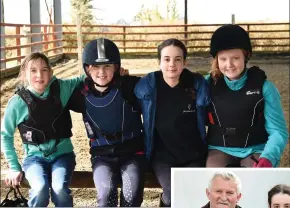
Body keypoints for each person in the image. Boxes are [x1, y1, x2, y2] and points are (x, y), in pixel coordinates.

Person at [67, 38, 146, 207]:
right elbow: (53, 94)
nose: (101, 72)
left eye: (107, 66)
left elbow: (158, 86)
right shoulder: (80, 94)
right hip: (102, 155)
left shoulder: (130, 86)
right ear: (87, 68)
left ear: (116, 67)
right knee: (105, 195)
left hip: (132, 153)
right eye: (96, 66)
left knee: (131, 196)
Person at [1, 52, 84, 207]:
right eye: (33, 70)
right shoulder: (18, 102)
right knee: (39, 189)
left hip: (62, 155)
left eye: (44, 69)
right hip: (34, 158)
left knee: (60, 189)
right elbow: (5, 135)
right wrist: (14, 166)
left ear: (51, 72)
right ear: (24, 74)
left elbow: (86, 78)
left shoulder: (61, 89)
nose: (39, 75)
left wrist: (117, 73)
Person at [134, 38, 210, 207]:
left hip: (193, 155)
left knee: (194, 194)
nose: (172, 64)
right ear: (159, 62)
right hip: (162, 156)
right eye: (166, 59)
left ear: (185, 62)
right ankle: (165, 200)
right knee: (174, 193)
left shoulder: (197, 84)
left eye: (177, 59)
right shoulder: (148, 85)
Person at [205, 24, 289, 167]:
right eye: (223, 59)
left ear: (246, 56)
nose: (229, 64)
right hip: (219, 148)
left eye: (235, 58)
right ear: (217, 60)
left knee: (254, 181)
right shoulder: (207, 85)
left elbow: (278, 131)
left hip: (255, 149)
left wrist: (268, 157)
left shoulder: (265, 88)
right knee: (214, 178)